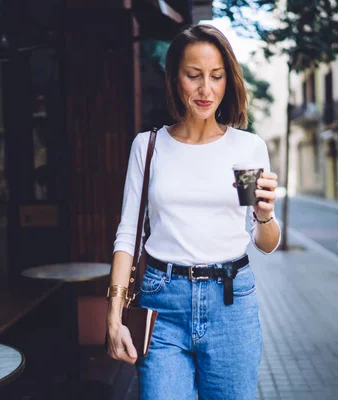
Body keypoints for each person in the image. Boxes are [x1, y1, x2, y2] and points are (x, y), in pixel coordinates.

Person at [106, 23, 281, 400]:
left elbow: (265, 242)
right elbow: (128, 234)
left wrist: (265, 215)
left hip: (231, 304)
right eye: (194, 76)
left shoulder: (248, 149)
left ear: (228, 80)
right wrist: (114, 313)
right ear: (174, 79)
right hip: (161, 301)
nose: (206, 90)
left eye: (216, 77)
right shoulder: (148, 146)